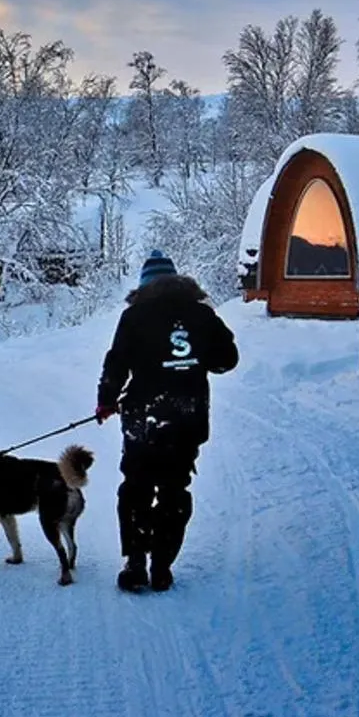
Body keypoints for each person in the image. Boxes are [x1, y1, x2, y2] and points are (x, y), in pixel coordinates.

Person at [96, 250, 238, 593]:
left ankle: (134, 562)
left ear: (145, 285)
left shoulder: (135, 316)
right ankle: (162, 566)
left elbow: (116, 363)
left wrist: (106, 400)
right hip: (188, 417)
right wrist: (198, 360)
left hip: (143, 417)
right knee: (175, 489)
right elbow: (227, 359)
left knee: (136, 487)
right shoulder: (203, 314)